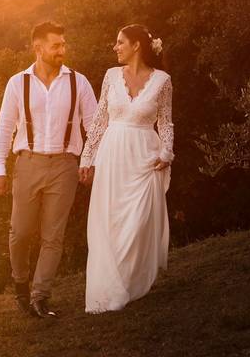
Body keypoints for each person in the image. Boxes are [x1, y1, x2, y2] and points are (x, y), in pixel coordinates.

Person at [0, 21, 98, 318]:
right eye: (56, 46)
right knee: (20, 232)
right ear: (38, 48)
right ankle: (21, 283)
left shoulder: (79, 82)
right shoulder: (17, 83)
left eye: (63, 45)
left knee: (53, 236)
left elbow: (95, 127)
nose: (62, 50)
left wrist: (89, 160)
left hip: (65, 165)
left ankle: (40, 296)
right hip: (28, 164)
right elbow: (4, 127)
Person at [79, 23, 173, 313]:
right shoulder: (110, 76)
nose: (115, 47)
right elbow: (98, 121)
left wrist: (167, 152)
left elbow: (166, 121)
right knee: (111, 219)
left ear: (136, 46)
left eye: (120, 42)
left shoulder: (162, 81)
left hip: (145, 156)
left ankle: (131, 282)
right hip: (112, 154)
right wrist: (87, 158)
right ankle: (110, 286)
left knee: (138, 220)